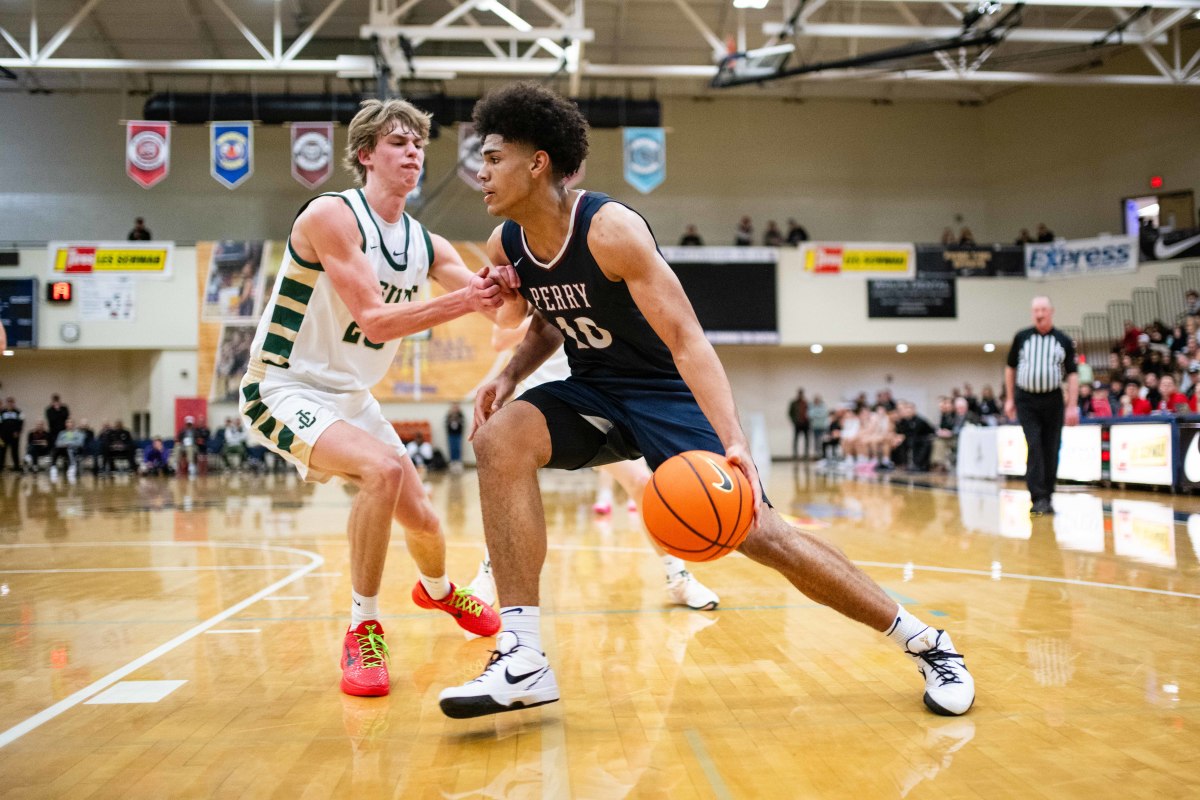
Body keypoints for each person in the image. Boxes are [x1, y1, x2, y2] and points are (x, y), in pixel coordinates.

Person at [438, 81, 973, 720]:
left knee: (761, 535)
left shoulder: (610, 230)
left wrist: (735, 441)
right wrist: (509, 374)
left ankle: (927, 642)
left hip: (665, 392)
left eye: (493, 157)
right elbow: (552, 320)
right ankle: (522, 658)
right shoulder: (507, 246)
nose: (481, 172)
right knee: (499, 440)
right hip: (596, 390)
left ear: (538, 163)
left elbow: (688, 340)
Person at [238, 97, 523, 698]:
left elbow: (499, 310)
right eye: (399, 143)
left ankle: (439, 592)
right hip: (283, 385)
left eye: (419, 144)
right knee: (383, 469)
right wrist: (468, 300)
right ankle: (362, 627)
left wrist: (516, 279)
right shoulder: (331, 217)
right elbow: (374, 320)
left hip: (350, 394)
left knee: (423, 517)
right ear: (366, 155)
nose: (413, 153)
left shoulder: (426, 243)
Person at [1004, 296, 1079, 517]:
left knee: (1051, 447)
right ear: (1032, 312)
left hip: (1053, 400)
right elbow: (1010, 368)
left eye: (1043, 310)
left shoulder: (1063, 340)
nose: (1039, 314)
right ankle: (1038, 497)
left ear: (1051, 312)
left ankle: (1048, 495)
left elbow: (1072, 374)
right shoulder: (1022, 337)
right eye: (1036, 310)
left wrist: (1072, 405)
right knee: (1034, 444)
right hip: (1026, 400)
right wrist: (1009, 399)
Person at [0, 397, 23, 472]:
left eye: (11, 402)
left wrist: (18, 431)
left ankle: (16, 466)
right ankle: (1, 466)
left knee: (15, 451)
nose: (10, 404)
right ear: (6, 403)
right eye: (8, 402)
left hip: (14, 436)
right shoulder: (2, 412)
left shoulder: (18, 412)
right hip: (3, 436)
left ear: (13, 403)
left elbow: (21, 423)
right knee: (2, 451)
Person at [788, 388, 809, 460]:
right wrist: (794, 421)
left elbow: (810, 412)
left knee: (806, 440)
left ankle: (806, 455)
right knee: (796, 440)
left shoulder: (806, 402)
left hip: (805, 424)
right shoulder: (793, 403)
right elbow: (790, 413)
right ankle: (795, 455)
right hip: (797, 424)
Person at [445, 402, 465, 472]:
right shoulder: (449, 415)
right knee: (452, 448)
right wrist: (451, 418)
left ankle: (458, 462)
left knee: (458, 448)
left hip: (458, 434)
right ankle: (452, 462)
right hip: (451, 434)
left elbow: (462, 423)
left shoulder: (461, 415)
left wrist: (457, 418)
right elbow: (446, 424)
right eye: (454, 407)